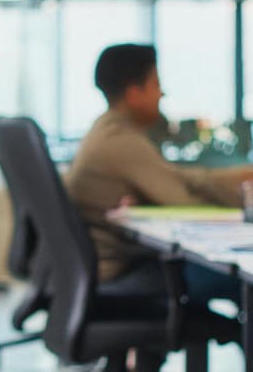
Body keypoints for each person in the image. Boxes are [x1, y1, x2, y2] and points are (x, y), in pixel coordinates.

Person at [66, 42, 253, 299]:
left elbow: (175, 176)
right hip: (119, 271)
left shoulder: (105, 130)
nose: (162, 94)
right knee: (242, 281)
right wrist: (243, 209)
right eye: (156, 84)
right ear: (134, 93)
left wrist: (235, 176)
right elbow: (184, 203)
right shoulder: (121, 141)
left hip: (99, 269)